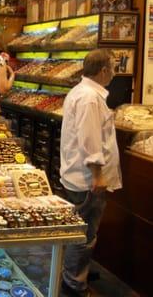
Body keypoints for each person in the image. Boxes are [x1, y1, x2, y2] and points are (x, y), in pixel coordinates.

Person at [60, 49, 122, 297]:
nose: (114, 73)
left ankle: (71, 274)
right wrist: (97, 176)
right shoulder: (89, 98)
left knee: (79, 230)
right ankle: (74, 284)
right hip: (85, 179)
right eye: (114, 67)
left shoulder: (80, 92)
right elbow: (91, 140)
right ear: (104, 70)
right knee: (84, 234)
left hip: (77, 175)